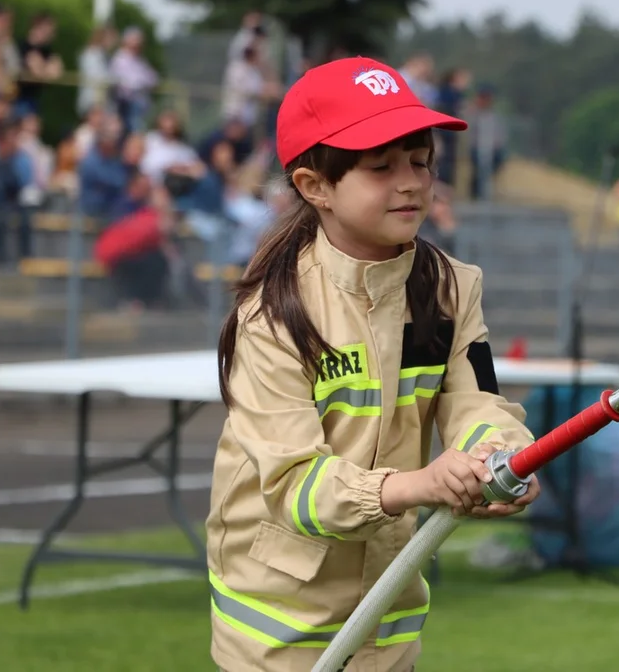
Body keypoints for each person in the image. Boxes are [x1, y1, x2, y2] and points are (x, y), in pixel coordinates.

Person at [207, 56, 541, 672]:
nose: (411, 182)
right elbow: (294, 488)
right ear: (315, 187)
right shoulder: (273, 317)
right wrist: (418, 485)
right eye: (381, 167)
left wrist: (498, 457)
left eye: (420, 161)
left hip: (390, 633)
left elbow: (480, 398)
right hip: (274, 645)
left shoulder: (453, 288)